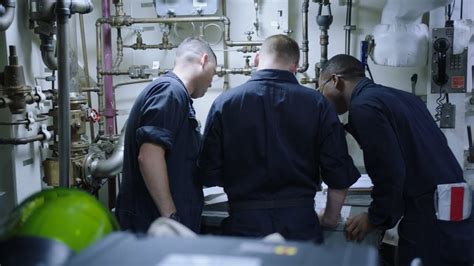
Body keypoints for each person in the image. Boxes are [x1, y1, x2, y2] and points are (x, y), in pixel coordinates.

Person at [198, 34, 360, 243]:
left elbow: (209, 172)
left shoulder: (225, 103)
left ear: (257, 59)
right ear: (295, 66)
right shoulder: (318, 104)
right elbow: (338, 170)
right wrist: (329, 218)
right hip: (300, 224)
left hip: (244, 223)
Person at [319, 54, 473, 265]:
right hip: (453, 200)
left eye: (321, 89)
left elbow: (390, 171)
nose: (321, 97)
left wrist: (374, 219)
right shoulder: (402, 97)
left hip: (429, 211)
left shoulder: (364, 107)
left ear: (335, 80)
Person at [115, 37, 216, 233]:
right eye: (214, 71)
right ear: (203, 60)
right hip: (154, 224)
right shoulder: (170, 92)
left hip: (158, 221)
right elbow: (149, 156)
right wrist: (171, 217)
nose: (213, 80)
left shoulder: (175, 94)